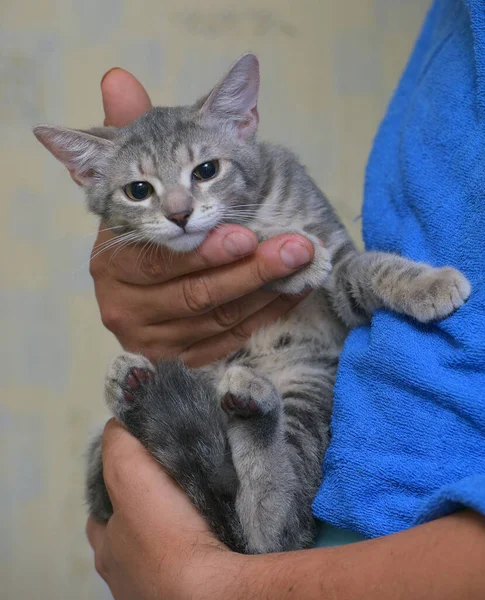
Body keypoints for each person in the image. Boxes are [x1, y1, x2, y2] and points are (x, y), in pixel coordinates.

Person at [86, 1, 485, 597]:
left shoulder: (284, 183)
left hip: (328, 522)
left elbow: (345, 284)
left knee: (291, 401)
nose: (178, 207)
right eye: (142, 190)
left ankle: (258, 459)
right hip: (322, 526)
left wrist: (397, 283)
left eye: (203, 171)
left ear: (242, 122)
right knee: (109, 458)